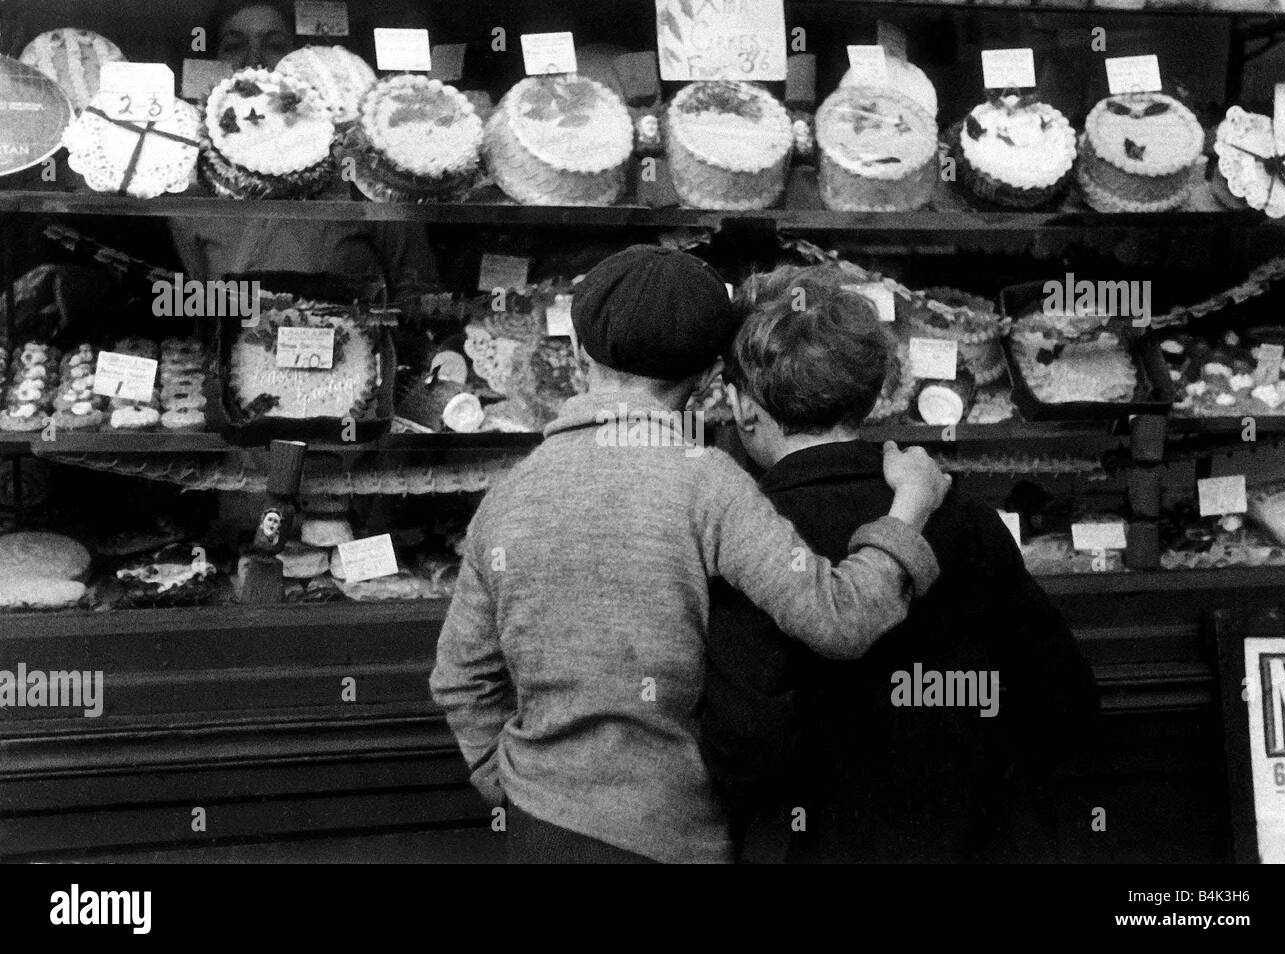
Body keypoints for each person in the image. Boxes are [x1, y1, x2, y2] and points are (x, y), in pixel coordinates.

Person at [429, 246, 952, 864]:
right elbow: (840, 618)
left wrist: (510, 787)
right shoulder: (709, 484)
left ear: (576, 356)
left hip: (538, 829)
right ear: (708, 381)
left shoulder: (508, 496)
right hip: (673, 838)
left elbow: (461, 680)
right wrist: (910, 509)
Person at [701, 264, 1099, 863]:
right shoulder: (963, 519)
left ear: (742, 407)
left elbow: (742, 753)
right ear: (870, 392)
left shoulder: (740, 538)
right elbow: (1064, 702)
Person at [169, 0, 436, 302]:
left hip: (349, 343)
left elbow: (416, 288)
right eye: (233, 46)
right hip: (238, 343)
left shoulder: (360, 165)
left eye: (275, 46)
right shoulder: (191, 169)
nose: (254, 61)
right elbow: (198, 300)